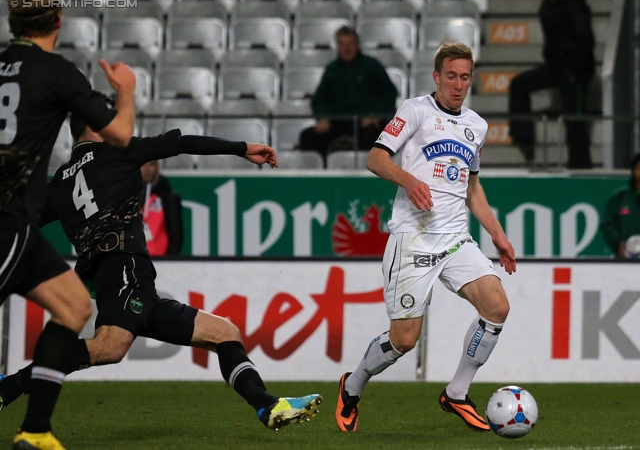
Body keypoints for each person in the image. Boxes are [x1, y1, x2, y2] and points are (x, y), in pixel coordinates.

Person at [0, 92, 323, 432]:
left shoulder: (60, 183)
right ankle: (10, 386)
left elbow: (19, 220)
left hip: (116, 277)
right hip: (124, 265)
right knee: (110, 347)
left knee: (223, 332)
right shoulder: (120, 151)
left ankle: (267, 405)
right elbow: (181, 142)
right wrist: (242, 148)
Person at [334, 42, 517, 433]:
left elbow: (472, 189)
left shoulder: (476, 126)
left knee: (497, 307)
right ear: (436, 76)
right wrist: (408, 179)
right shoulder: (416, 110)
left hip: (454, 238)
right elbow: (376, 158)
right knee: (404, 340)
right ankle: (352, 387)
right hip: (412, 238)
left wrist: (498, 236)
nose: (457, 84)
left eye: (464, 77)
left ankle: (456, 393)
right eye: (450, 76)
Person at [0, 0, 136, 448]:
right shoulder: (57, 72)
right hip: (5, 216)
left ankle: (35, 431)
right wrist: (127, 92)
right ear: (58, 19)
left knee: (75, 305)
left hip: (18, 226)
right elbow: (119, 133)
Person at [508, 0, 595, 168]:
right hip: (555, 67)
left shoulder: (577, 6)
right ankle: (523, 137)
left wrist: (575, 71)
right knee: (519, 84)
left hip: (575, 71)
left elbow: (585, 40)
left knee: (574, 120)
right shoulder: (548, 4)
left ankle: (580, 166)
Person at [298, 25, 398, 165]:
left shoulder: (372, 66)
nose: (347, 48)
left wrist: (376, 114)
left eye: (350, 43)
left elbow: (389, 92)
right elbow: (319, 100)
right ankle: (320, 176)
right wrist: (323, 117)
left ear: (357, 45)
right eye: (342, 44)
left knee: (377, 138)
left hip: (366, 124)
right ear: (337, 46)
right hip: (337, 122)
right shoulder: (331, 70)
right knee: (308, 137)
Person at [600, 152, 640, 258]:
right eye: (638, 168)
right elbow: (608, 225)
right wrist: (618, 242)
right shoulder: (619, 197)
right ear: (633, 171)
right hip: (623, 261)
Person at [140, 160, 184, 256]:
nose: (147, 169)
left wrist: (168, 262)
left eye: (150, 165)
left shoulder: (168, 198)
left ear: (157, 167)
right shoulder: (128, 196)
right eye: (143, 165)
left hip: (160, 259)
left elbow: (176, 236)